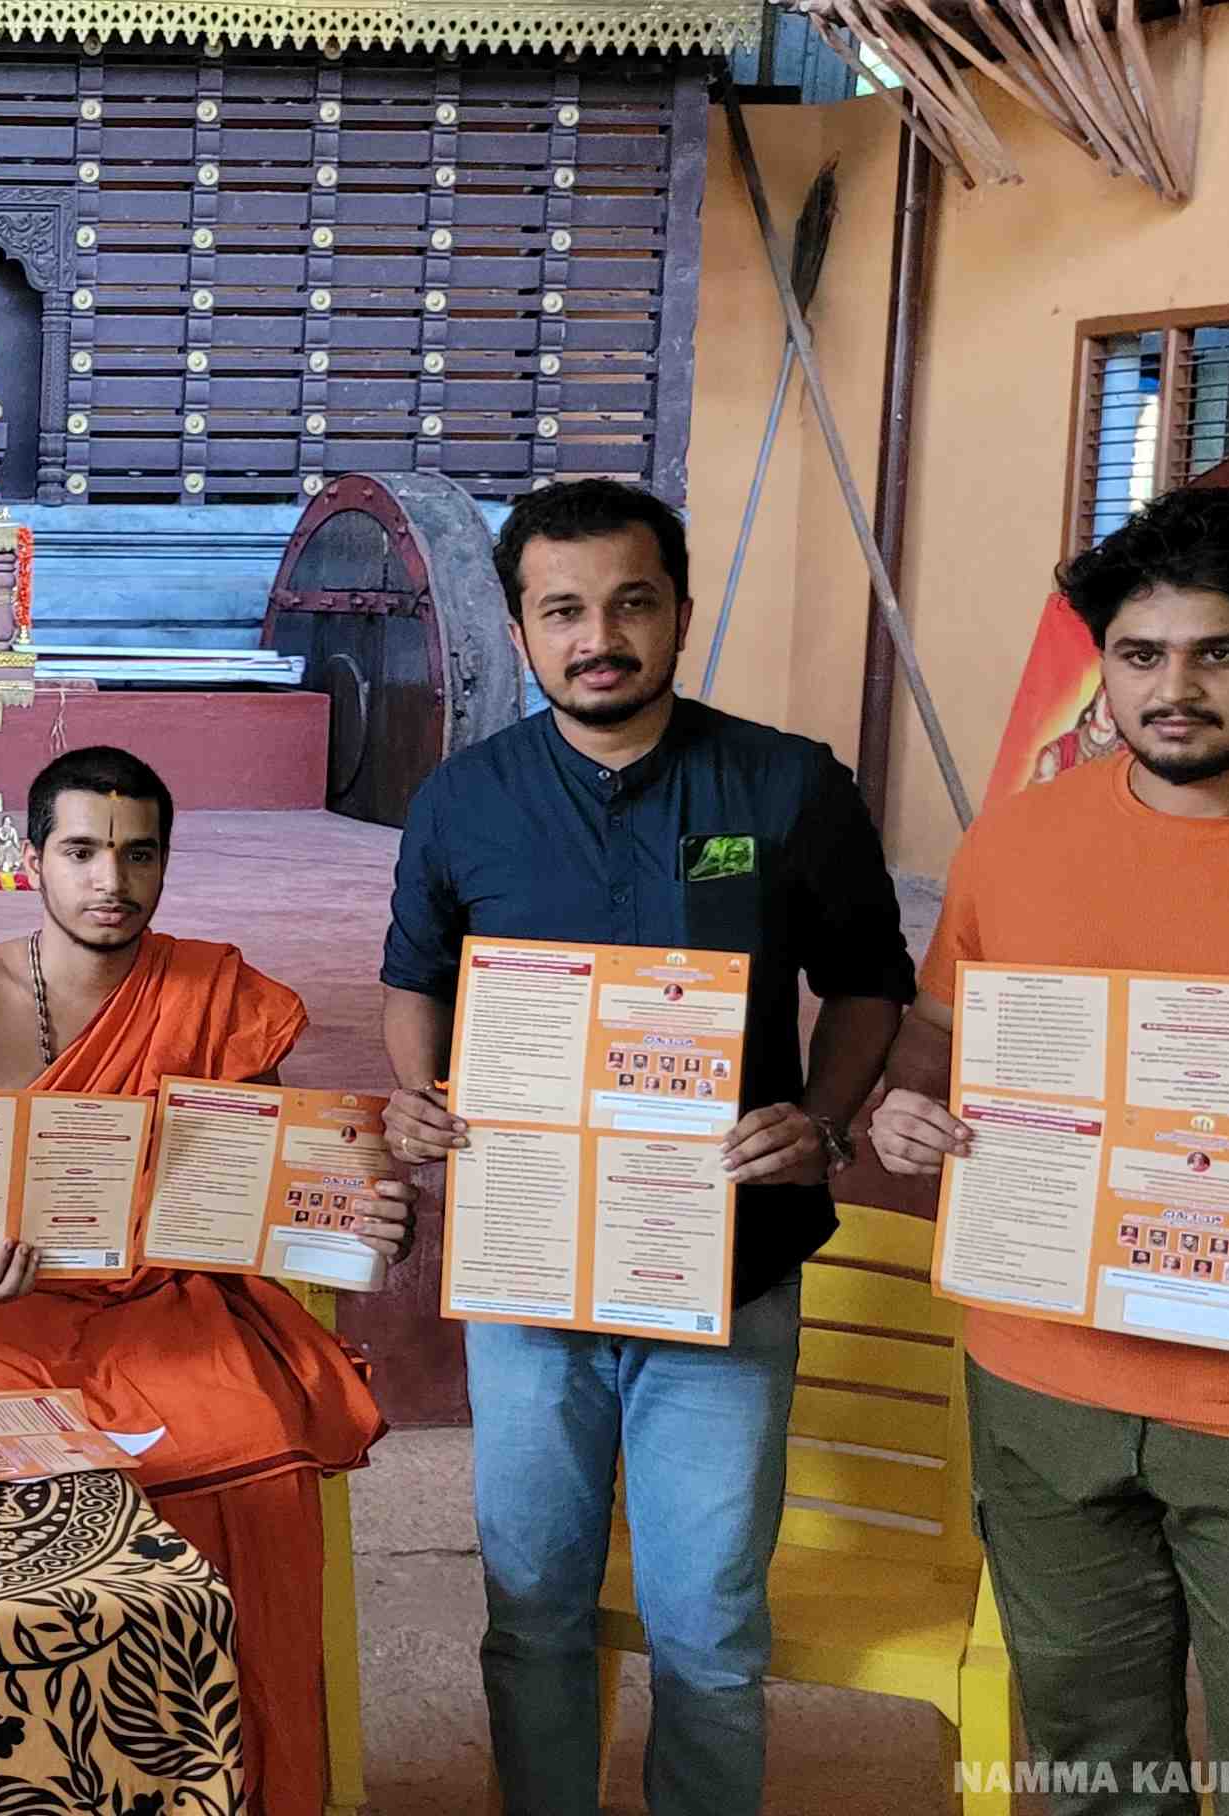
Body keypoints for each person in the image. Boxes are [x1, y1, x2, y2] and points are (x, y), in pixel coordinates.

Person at [366, 478, 915, 1816]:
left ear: (679, 611)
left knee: (708, 1624)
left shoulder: (786, 784)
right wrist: (420, 1089)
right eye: (562, 610)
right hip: (530, 1275)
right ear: (518, 627)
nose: (598, 637)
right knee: (533, 1607)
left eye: (630, 603)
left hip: (728, 1267)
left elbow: (866, 983)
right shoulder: (464, 798)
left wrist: (822, 1119)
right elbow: (414, 978)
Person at [867, 488, 1229, 1815]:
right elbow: (939, 1031)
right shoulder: (1018, 836)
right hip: (1042, 1385)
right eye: (1139, 654)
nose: (1174, 690)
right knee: (1095, 1770)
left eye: (1220, 652)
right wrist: (905, 1108)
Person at [0, 748, 388, 1816]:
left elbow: (268, 1174)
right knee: (23, 1479)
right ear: (33, 859)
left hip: (170, 1297)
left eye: (139, 855)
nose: (112, 881)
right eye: (83, 851)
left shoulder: (214, 993)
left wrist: (356, 1214)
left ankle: (248, 1783)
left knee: (258, 1452)